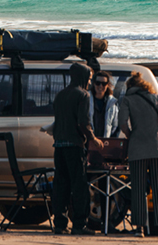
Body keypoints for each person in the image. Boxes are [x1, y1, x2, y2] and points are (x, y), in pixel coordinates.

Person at [118, 71, 158, 238]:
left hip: (137, 149)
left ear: (129, 86)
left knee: (138, 189)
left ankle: (139, 229)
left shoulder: (128, 99)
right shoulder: (155, 98)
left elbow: (122, 122)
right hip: (157, 148)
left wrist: (131, 134)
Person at [51, 62, 103, 235]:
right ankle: (79, 225)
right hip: (75, 146)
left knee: (61, 185)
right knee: (79, 186)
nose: (89, 83)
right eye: (89, 79)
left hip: (59, 146)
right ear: (82, 77)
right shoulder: (83, 95)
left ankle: (60, 223)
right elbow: (83, 122)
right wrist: (93, 139)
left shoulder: (60, 95)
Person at [89, 70, 119, 139]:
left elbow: (116, 125)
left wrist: (110, 140)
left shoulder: (113, 103)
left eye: (104, 84)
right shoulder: (86, 100)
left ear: (108, 85)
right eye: (98, 83)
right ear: (93, 84)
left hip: (105, 142)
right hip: (88, 142)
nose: (100, 86)